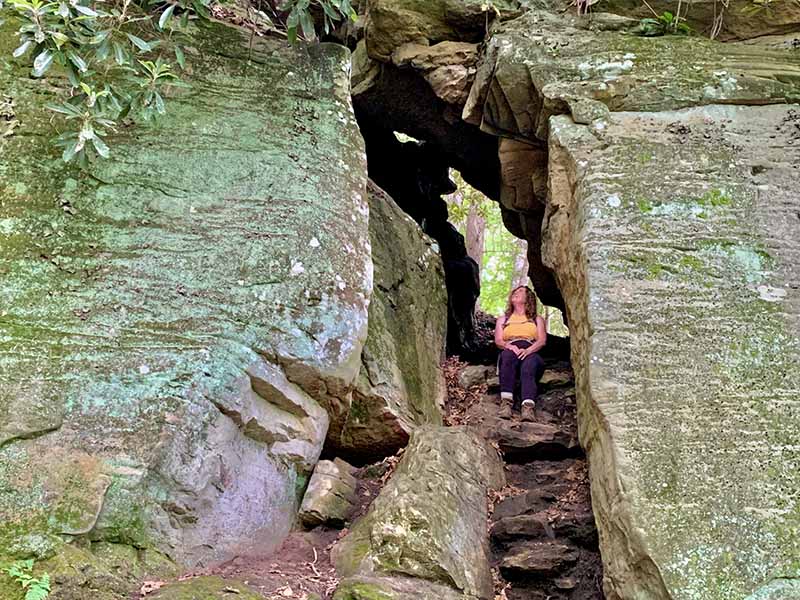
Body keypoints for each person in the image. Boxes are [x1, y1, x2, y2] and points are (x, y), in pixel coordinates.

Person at [494, 286, 547, 421]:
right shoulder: (504, 319)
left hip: (531, 349)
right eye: (515, 292)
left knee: (530, 364)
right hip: (510, 349)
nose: (515, 293)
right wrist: (510, 346)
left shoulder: (537, 319)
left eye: (520, 292)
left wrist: (528, 350)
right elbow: (498, 340)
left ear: (528, 299)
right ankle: (506, 404)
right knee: (507, 356)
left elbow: (541, 341)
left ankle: (527, 408)